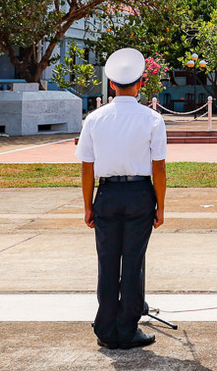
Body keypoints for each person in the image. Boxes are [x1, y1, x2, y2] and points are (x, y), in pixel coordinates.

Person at [75, 47, 167, 350]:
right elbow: (159, 168)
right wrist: (161, 206)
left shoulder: (94, 118)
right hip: (140, 194)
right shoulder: (152, 119)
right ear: (141, 84)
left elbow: (87, 168)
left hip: (107, 193)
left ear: (112, 84)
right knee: (132, 263)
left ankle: (105, 326)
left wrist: (88, 205)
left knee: (107, 261)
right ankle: (126, 329)